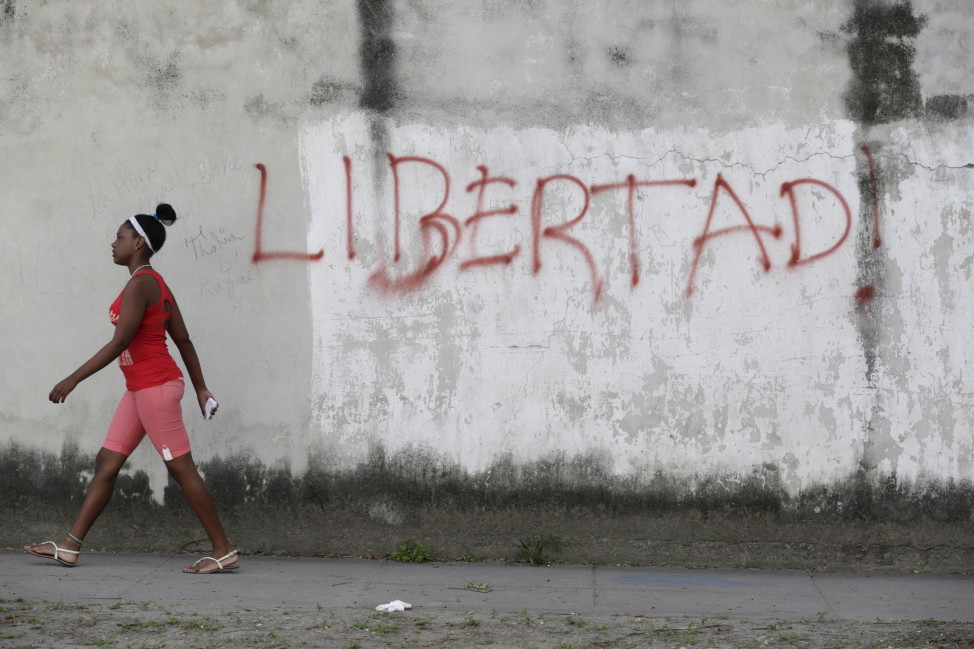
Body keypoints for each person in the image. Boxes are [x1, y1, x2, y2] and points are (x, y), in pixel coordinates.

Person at [24, 204, 238, 574]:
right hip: (141, 389)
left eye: (120, 237)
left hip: (155, 387)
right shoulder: (154, 283)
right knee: (107, 461)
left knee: (181, 469)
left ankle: (223, 550)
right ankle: (70, 545)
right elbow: (183, 339)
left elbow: (121, 342)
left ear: (139, 242)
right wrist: (200, 388)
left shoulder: (142, 284)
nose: (113, 243)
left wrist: (73, 378)